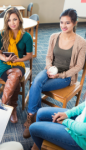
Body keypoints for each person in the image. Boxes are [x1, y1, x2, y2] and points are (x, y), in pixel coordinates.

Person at [23, 8, 86, 138]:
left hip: (65, 77)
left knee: (35, 86)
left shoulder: (81, 42)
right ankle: (33, 118)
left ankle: (32, 119)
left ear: (74, 23)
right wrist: (49, 68)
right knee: (37, 82)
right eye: (61, 22)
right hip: (50, 71)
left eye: (67, 23)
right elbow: (48, 57)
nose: (63, 25)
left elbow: (79, 66)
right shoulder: (54, 37)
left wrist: (60, 75)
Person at [0, 7, 33, 123]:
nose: (11, 23)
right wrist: (5, 58)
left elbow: (29, 56)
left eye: (14, 19)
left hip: (18, 64)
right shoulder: (2, 34)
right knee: (15, 79)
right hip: (4, 65)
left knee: (16, 74)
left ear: (19, 20)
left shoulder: (26, 36)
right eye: (8, 20)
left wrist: (17, 60)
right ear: (6, 22)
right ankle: (12, 108)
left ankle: (2, 106)